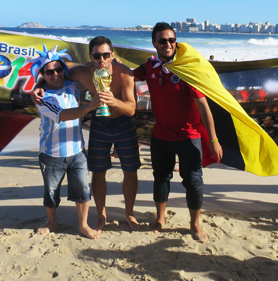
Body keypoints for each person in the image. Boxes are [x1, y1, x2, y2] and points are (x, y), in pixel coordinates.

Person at [32, 36, 140, 235]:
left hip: (124, 123)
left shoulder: (125, 74)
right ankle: (101, 216)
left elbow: (132, 108)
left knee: (130, 170)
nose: (102, 59)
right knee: (98, 171)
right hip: (100, 122)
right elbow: (54, 72)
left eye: (106, 55)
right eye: (97, 55)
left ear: (112, 55)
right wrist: (37, 86)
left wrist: (114, 102)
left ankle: (129, 213)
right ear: (91, 57)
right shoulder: (82, 72)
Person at [133, 22, 223, 242]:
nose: (167, 44)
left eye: (171, 40)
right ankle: (160, 218)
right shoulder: (150, 66)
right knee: (161, 178)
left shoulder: (185, 68)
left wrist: (213, 139)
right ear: (154, 43)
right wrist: (106, 66)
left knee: (193, 181)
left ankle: (194, 225)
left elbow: (203, 106)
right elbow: (129, 76)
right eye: (162, 41)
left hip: (189, 136)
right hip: (161, 135)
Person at [32, 46, 99, 239]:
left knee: (83, 190)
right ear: (42, 74)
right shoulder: (42, 98)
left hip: (77, 150)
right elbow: (65, 115)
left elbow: (87, 71)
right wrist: (90, 106)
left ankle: (83, 225)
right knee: (51, 193)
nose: (55, 74)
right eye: (49, 72)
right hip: (51, 153)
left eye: (58, 69)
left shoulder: (73, 85)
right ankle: (51, 222)